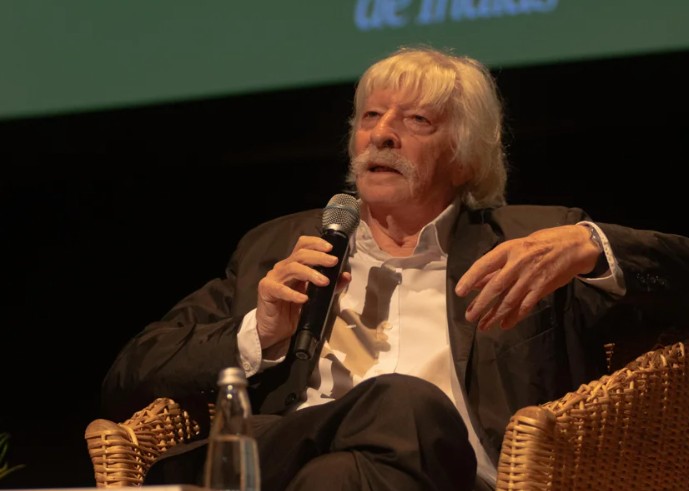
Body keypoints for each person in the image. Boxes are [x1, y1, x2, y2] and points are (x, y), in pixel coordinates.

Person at [100, 45, 689, 491]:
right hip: (292, 469)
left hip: (461, 481)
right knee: (366, 441)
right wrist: (262, 332)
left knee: (393, 417)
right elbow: (131, 371)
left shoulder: (532, 240)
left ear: (464, 157)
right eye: (370, 117)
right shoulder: (278, 246)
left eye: (416, 121)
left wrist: (594, 245)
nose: (381, 134)